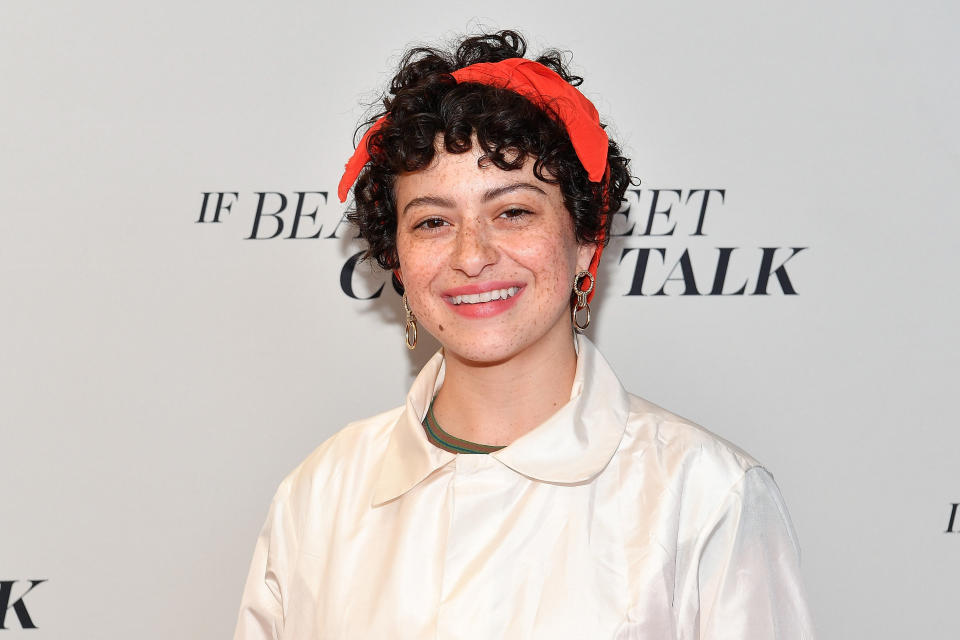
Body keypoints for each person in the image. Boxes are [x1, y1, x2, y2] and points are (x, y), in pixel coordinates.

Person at [232, 30, 816, 639]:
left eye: (513, 212)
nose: (472, 256)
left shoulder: (707, 496)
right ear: (398, 261)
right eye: (433, 221)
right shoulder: (320, 493)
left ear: (586, 238)